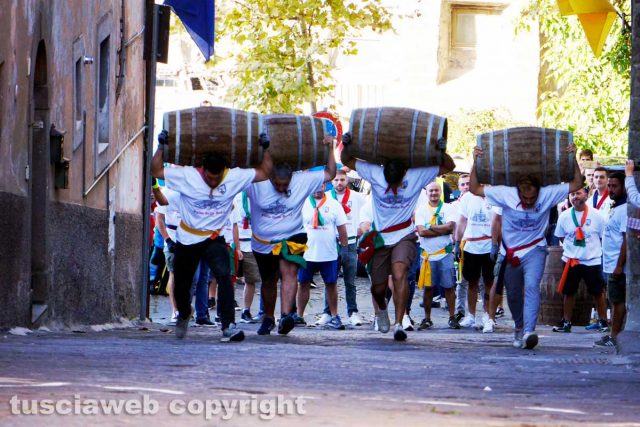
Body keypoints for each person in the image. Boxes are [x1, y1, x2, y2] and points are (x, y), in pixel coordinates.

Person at [151, 130, 273, 342]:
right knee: (181, 284)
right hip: (188, 237)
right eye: (209, 177)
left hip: (214, 237)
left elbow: (264, 172)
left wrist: (265, 148)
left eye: (217, 178)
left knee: (225, 277)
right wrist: (161, 146)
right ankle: (183, 314)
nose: (213, 182)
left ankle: (228, 326)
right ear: (202, 170)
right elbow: (155, 169)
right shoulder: (187, 176)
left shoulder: (234, 177)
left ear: (224, 171)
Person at [341, 133, 455, 341]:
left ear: (404, 173)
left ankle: (398, 324)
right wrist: (347, 144)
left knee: (400, 273)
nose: (393, 186)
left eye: (398, 181)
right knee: (378, 287)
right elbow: (347, 161)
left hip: (405, 235)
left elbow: (448, 166)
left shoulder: (415, 176)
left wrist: (441, 150)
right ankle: (382, 309)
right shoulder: (375, 173)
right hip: (381, 238)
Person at [469, 145, 583, 350]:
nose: (529, 201)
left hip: (535, 248)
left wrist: (572, 157)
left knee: (531, 286)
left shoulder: (548, 194)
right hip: (510, 251)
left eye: (533, 198)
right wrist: (475, 162)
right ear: (517, 191)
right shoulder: (505, 193)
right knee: (512, 293)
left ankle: (530, 330)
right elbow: (474, 188)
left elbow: (576, 183)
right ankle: (519, 327)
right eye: (525, 197)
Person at [247, 135, 336, 336]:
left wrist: (331, 148)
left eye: (285, 185)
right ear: (268, 177)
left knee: (289, 273)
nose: (281, 189)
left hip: (293, 235)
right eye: (277, 185)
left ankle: (287, 315)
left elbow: (330, 173)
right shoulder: (255, 182)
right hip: (263, 242)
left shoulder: (302, 180)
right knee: (268, 280)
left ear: (292, 179)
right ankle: (268, 318)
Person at [552, 185, 609, 333]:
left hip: (592, 260)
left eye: (578, 193)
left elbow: (604, 237)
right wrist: (573, 250)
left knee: (598, 292)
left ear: (585, 194)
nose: (575, 197)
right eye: (572, 194)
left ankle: (603, 321)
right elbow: (561, 236)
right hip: (571, 260)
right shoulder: (564, 216)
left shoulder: (597, 215)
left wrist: (591, 250)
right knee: (568, 292)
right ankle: (566, 322)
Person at [315, 170, 367, 327]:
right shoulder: (326, 197)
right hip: (331, 244)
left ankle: (353, 312)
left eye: (342, 180)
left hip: (350, 243)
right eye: (336, 180)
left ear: (347, 180)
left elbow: (366, 213)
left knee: (350, 280)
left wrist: (361, 228)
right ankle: (327, 312)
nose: (339, 183)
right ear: (332, 181)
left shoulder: (358, 197)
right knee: (330, 280)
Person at [297, 184, 348, 329]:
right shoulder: (303, 203)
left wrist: (344, 248)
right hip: (306, 253)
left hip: (328, 253)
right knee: (303, 283)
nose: (317, 190)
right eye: (315, 186)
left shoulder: (334, 204)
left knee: (331, 284)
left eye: (320, 186)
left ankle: (334, 316)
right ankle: (299, 316)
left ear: (325, 186)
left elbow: (342, 227)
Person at [454, 181, 501, 330]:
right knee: (471, 282)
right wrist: (457, 242)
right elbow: (462, 221)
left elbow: (497, 222)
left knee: (489, 282)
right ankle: (471, 315)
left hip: (488, 244)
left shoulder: (495, 196)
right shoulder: (467, 197)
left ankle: (488, 315)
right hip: (471, 245)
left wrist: (495, 244)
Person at [415, 182, 459, 330]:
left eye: (436, 190)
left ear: (440, 192)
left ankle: (452, 317)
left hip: (444, 253)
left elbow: (451, 227)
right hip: (427, 255)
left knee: (449, 287)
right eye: (431, 191)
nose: (434, 193)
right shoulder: (421, 209)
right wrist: (442, 229)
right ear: (426, 193)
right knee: (428, 288)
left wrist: (431, 227)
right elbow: (421, 232)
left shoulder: (448, 208)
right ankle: (427, 318)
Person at [595, 172, 628, 348]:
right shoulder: (614, 207)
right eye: (609, 186)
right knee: (613, 300)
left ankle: (615, 336)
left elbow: (626, 241)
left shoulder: (625, 210)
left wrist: (619, 265)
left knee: (618, 301)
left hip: (617, 264)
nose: (611, 189)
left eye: (615, 186)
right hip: (609, 262)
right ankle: (613, 334)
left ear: (624, 187)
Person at [233, 191, 262, 323]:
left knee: (251, 280)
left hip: (251, 244)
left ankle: (246, 310)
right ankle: (223, 310)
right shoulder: (234, 196)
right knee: (227, 278)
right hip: (234, 243)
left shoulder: (258, 196)